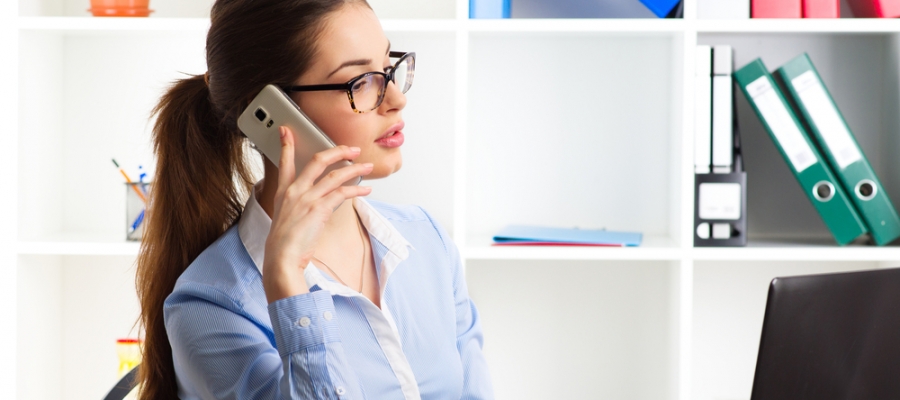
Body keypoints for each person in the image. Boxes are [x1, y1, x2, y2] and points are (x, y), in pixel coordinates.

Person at [134, 0, 494, 398]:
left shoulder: (428, 242)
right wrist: (288, 285)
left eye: (388, 68)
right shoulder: (209, 307)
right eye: (361, 81)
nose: (396, 98)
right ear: (272, 113)